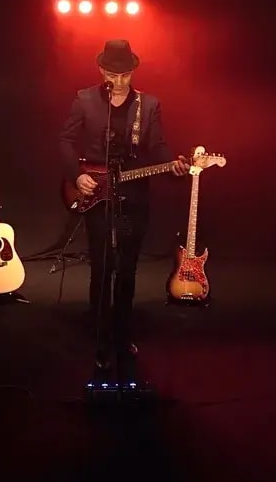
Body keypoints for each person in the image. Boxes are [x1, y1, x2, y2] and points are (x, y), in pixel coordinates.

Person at [57, 39, 188, 382]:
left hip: (133, 195)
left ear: (133, 71)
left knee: (127, 271)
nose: (119, 81)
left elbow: (158, 146)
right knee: (102, 270)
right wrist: (77, 175)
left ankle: (123, 335)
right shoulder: (84, 99)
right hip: (96, 192)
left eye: (125, 74)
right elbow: (66, 141)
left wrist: (173, 166)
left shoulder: (149, 104)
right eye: (113, 74)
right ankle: (101, 339)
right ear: (101, 70)